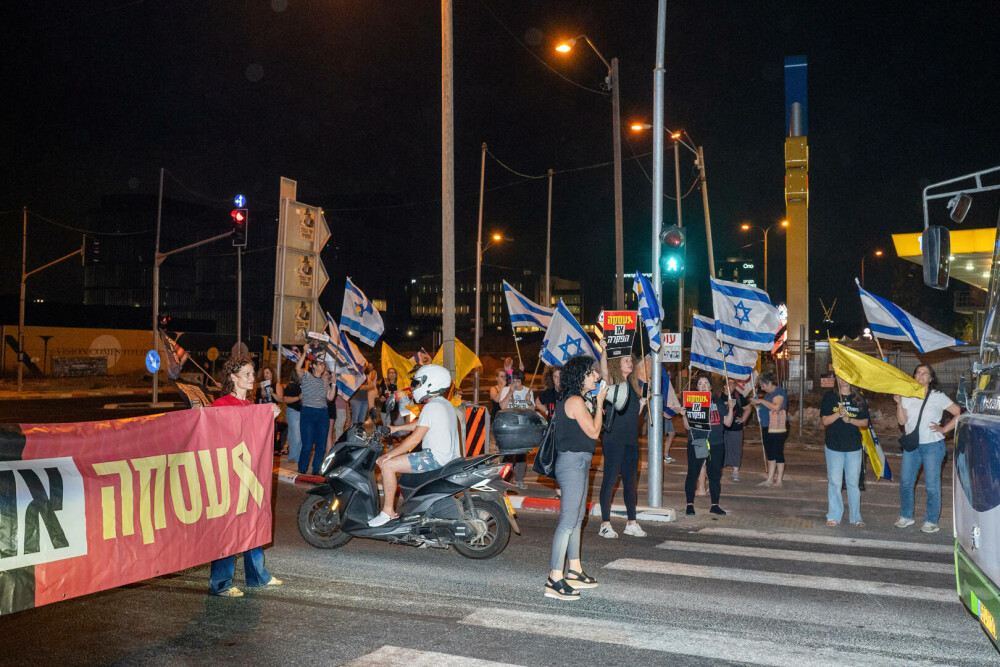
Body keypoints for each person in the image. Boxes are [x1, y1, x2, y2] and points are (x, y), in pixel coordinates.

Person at [209, 356, 282, 597]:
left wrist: (268, 417)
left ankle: (257, 576)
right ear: (233, 378)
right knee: (228, 528)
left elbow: (255, 437)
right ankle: (221, 583)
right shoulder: (221, 403)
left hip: (250, 474)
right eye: (247, 374)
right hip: (230, 474)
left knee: (253, 522)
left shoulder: (251, 405)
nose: (253, 379)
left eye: (253, 374)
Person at [545, 355, 608, 601]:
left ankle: (574, 569)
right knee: (568, 522)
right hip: (571, 464)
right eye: (592, 372)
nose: (597, 376)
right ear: (581, 375)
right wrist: (600, 403)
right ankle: (554, 578)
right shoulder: (573, 401)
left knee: (578, 518)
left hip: (579, 463)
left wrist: (595, 402)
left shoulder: (579, 400)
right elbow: (593, 432)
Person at [368, 364, 462, 527]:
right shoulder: (444, 404)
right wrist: (397, 428)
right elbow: (421, 424)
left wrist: (388, 455)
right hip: (449, 459)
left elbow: (414, 439)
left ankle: (387, 513)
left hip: (434, 458)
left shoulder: (432, 406)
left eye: (418, 383)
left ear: (431, 383)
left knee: (388, 466)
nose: (415, 387)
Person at [894, 364, 961, 533]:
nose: (921, 375)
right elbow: (902, 422)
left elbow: (958, 412)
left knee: (932, 485)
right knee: (906, 482)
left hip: (932, 445)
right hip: (912, 446)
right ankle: (906, 516)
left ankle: (931, 520)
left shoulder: (938, 396)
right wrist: (899, 404)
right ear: (914, 376)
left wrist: (944, 429)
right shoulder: (907, 395)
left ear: (931, 378)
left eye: (925, 373)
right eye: (918, 372)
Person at [598, 354, 647, 539]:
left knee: (630, 483)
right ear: (617, 365)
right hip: (614, 440)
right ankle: (604, 524)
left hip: (631, 441)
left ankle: (631, 523)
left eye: (631, 361)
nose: (630, 363)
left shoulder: (635, 388)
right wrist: (603, 350)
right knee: (610, 481)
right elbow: (604, 371)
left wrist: (641, 404)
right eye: (626, 360)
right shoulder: (612, 382)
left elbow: (632, 416)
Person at [682, 372, 734, 516]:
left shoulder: (718, 402)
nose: (703, 386)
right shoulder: (693, 402)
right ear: (696, 387)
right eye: (700, 384)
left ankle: (715, 505)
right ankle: (689, 504)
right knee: (693, 472)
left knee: (715, 475)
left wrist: (730, 408)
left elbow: (728, 422)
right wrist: (683, 415)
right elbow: (687, 427)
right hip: (699, 441)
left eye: (706, 384)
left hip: (716, 442)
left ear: (711, 386)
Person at [821, 375, 870, 527]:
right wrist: (838, 414)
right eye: (840, 377)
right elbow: (825, 421)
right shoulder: (830, 397)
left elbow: (865, 422)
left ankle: (856, 517)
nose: (843, 380)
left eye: (847, 377)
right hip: (834, 446)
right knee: (835, 482)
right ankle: (834, 515)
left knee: (853, 483)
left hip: (853, 446)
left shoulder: (859, 398)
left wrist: (850, 420)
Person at [294, 347, 336, 475]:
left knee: (321, 445)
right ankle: (302, 468)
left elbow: (330, 397)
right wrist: (304, 353)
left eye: (324, 364)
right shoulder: (306, 376)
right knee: (307, 444)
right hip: (308, 412)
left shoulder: (324, 381)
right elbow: (297, 368)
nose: (323, 366)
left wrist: (333, 384)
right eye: (320, 364)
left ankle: (316, 469)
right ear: (313, 366)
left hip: (322, 414)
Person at [750, 372, 788, 487]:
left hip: (777, 426)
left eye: (763, 386)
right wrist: (757, 405)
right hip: (767, 426)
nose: (762, 388)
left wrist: (761, 401)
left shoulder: (779, 391)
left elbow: (776, 407)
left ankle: (779, 480)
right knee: (770, 453)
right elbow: (768, 406)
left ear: (769, 383)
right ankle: (770, 479)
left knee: (778, 452)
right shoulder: (768, 395)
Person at [499, 369, 534, 488]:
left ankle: (519, 479)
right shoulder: (505, 390)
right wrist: (510, 392)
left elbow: (532, 411)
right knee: (508, 453)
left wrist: (529, 402)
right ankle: (506, 478)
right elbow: (502, 406)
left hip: (522, 427)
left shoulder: (528, 391)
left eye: (518, 381)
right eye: (513, 380)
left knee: (521, 454)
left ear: (521, 381)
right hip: (509, 426)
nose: (515, 383)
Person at [723, 378, 752, 482]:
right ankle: (719, 471)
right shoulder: (719, 397)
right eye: (727, 383)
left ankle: (735, 472)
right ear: (724, 386)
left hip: (735, 428)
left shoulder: (739, 396)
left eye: (732, 384)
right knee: (721, 450)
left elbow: (748, 408)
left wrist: (743, 419)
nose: (729, 386)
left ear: (735, 386)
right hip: (721, 429)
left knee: (736, 450)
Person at [282, 369, 303, 466]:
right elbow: (285, 399)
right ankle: (295, 457)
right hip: (293, 412)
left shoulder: (301, 386)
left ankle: (296, 456)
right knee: (296, 436)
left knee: (295, 435)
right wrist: (298, 397)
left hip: (301, 412)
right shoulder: (291, 386)